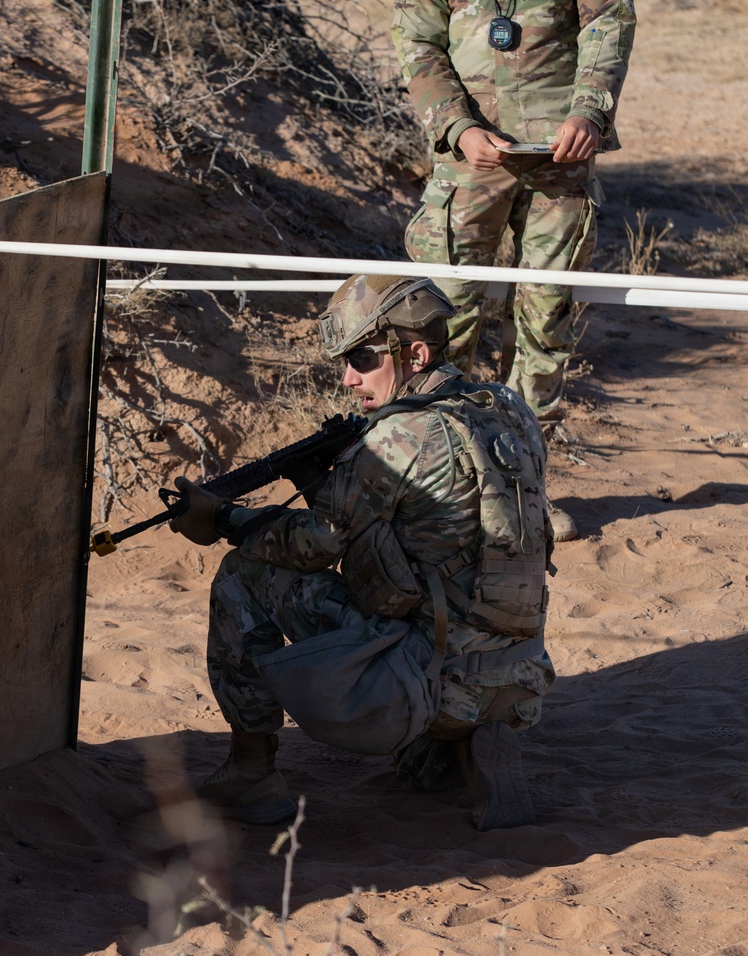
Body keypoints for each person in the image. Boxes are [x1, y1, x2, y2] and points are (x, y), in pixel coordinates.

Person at [170, 274, 555, 832]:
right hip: (519, 681)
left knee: (241, 574)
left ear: (415, 353)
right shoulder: (507, 409)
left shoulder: (399, 437)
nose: (349, 377)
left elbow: (313, 545)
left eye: (363, 358)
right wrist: (326, 480)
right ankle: (459, 746)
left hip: (426, 684)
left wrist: (227, 519)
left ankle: (251, 777)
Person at [391, 0, 638, 542]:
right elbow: (418, 46)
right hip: (471, 159)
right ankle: (452, 487)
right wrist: (459, 129)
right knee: (447, 318)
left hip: (559, 152)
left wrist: (590, 112)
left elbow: (608, 22)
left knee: (544, 320)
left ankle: (524, 488)